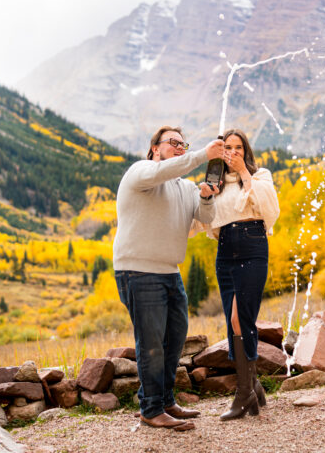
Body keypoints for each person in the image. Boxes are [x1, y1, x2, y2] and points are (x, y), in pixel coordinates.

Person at [113, 126, 223, 430]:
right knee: (151, 343)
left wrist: (206, 196)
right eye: (172, 142)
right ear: (154, 148)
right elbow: (165, 170)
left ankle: (163, 400)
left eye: (182, 144)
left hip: (169, 271)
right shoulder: (142, 172)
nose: (178, 147)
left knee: (174, 340)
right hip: (137, 270)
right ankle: (150, 409)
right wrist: (203, 154)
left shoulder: (185, 187)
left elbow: (207, 218)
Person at [200, 128, 279, 421]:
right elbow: (203, 221)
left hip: (252, 246)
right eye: (227, 148)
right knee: (233, 321)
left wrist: (244, 172)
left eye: (238, 147)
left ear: (245, 151)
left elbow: (270, 209)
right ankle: (252, 385)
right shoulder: (216, 184)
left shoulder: (260, 177)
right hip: (224, 252)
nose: (232, 152)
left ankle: (243, 392)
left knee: (240, 318)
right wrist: (206, 196)